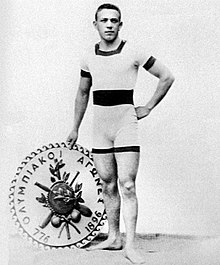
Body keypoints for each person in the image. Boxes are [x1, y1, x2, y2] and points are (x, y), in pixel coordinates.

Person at [67, 3, 175, 264]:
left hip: (125, 125)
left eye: (114, 20)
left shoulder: (133, 51)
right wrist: (74, 127)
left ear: (120, 24)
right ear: (95, 24)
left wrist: (148, 107)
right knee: (107, 183)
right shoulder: (88, 57)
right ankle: (114, 238)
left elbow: (166, 76)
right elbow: (83, 93)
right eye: (103, 20)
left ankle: (130, 246)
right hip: (100, 127)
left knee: (127, 184)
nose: (109, 25)